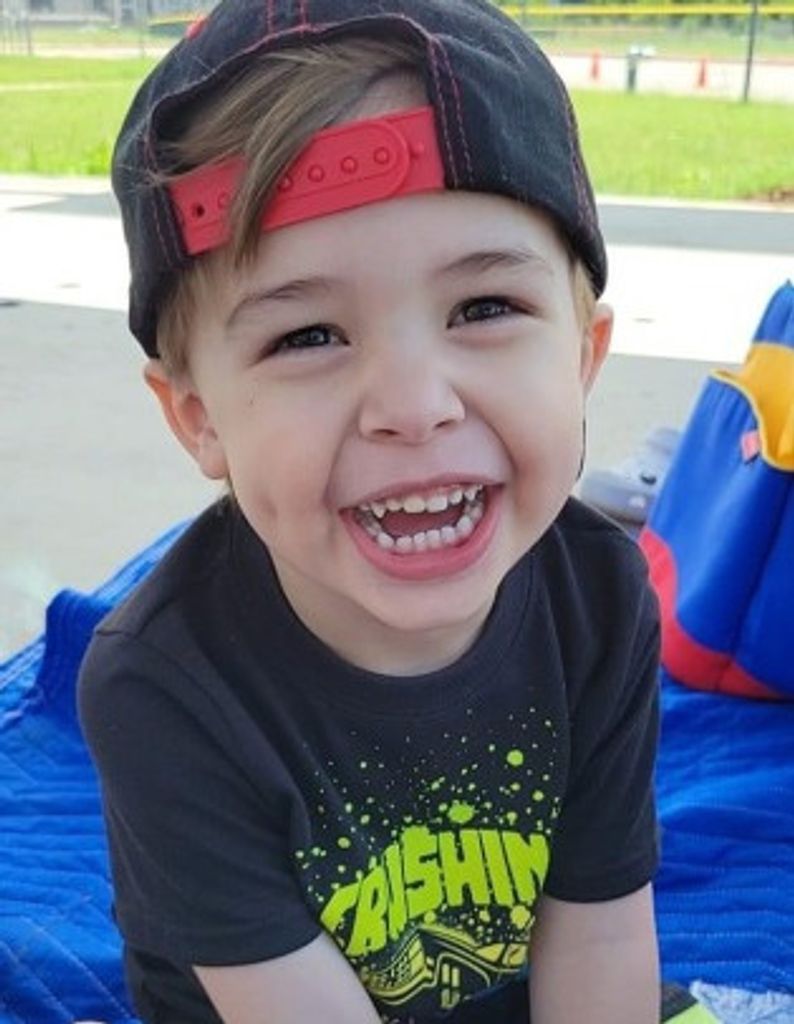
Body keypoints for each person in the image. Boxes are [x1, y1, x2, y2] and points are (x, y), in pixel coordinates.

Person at [78, 1, 664, 1021]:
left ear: (581, 358)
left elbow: (602, 930)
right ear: (200, 420)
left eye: (483, 309)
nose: (413, 405)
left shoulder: (602, 598)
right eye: (308, 336)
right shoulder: (165, 687)